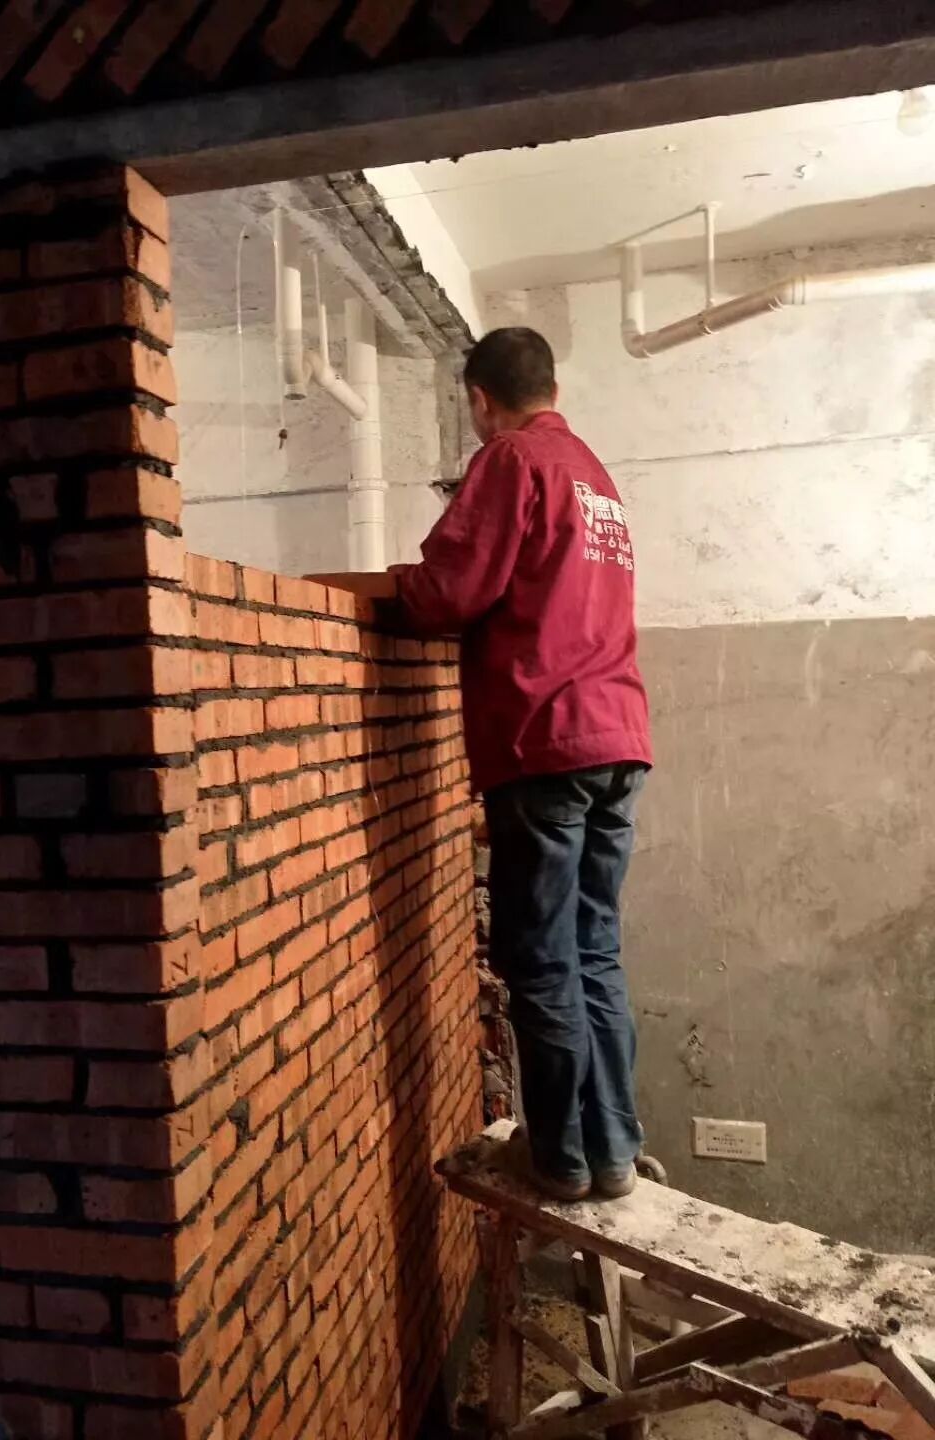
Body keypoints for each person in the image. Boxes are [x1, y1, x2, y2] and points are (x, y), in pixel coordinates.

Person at [390, 326, 653, 1201]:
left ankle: (560, 1160)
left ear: (480, 397)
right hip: (617, 737)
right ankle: (612, 1151)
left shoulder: (511, 459)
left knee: (539, 958)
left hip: (545, 742)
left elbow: (451, 590)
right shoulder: (594, 474)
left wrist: (393, 586)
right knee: (594, 950)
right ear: (552, 387)